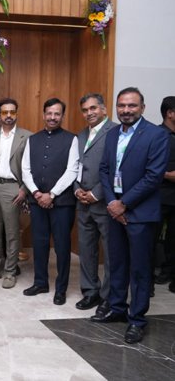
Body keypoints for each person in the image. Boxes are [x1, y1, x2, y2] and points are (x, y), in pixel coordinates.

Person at [92, 87, 169, 344]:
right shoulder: (113, 134)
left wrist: (123, 204)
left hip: (140, 213)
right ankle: (117, 308)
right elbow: (105, 170)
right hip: (115, 211)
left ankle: (136, 319)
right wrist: (112, 203)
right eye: (122, 105)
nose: (126, 110)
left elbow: (153, 176)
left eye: (132, 105)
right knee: (117, 264)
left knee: (139, 269)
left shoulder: (157, 135)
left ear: (142, 108)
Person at [22, 98, 79, 305]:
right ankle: (40, 283)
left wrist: (52, 194)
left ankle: (61, 288)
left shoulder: (72, 139)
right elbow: (25, 169)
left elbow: (72, 170)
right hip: (37, 201)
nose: (53, 117)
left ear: (62, 116)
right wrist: (37, 193)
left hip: (62, 203)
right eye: (49, 113)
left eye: (57, 114)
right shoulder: (32, 140)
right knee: (39, 243)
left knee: (62, 246)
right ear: (44, 114)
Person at [0, 98, 32, 289]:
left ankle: (10, 272)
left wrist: (24, 189)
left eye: (12, 112)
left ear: (16, 113)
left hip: (13, 188)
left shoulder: (27, 136)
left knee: (12, 233)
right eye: (4, 112)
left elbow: (31, 168)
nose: (8, 116)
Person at [73, 94, 117, 315]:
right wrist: (77, 190)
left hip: (105, 203)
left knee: (110, 253)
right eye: (85, 110)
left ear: (104, 109)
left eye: (93, 108)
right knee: (86, 250)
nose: (89, 113)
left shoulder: (116, 131)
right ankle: (90, 291)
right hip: (82, 203)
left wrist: (95, 193)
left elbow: (117, 167)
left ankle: (109, 297)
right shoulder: (81, 135)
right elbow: (75, 166)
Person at [155, 96, 175, 293]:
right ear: (170, 113)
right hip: (159, 196)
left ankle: (171, 272)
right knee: (151, 239)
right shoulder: (156, 135)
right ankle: (149, 279)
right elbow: (146, 164)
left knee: (173, 239)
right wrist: (168, 175)